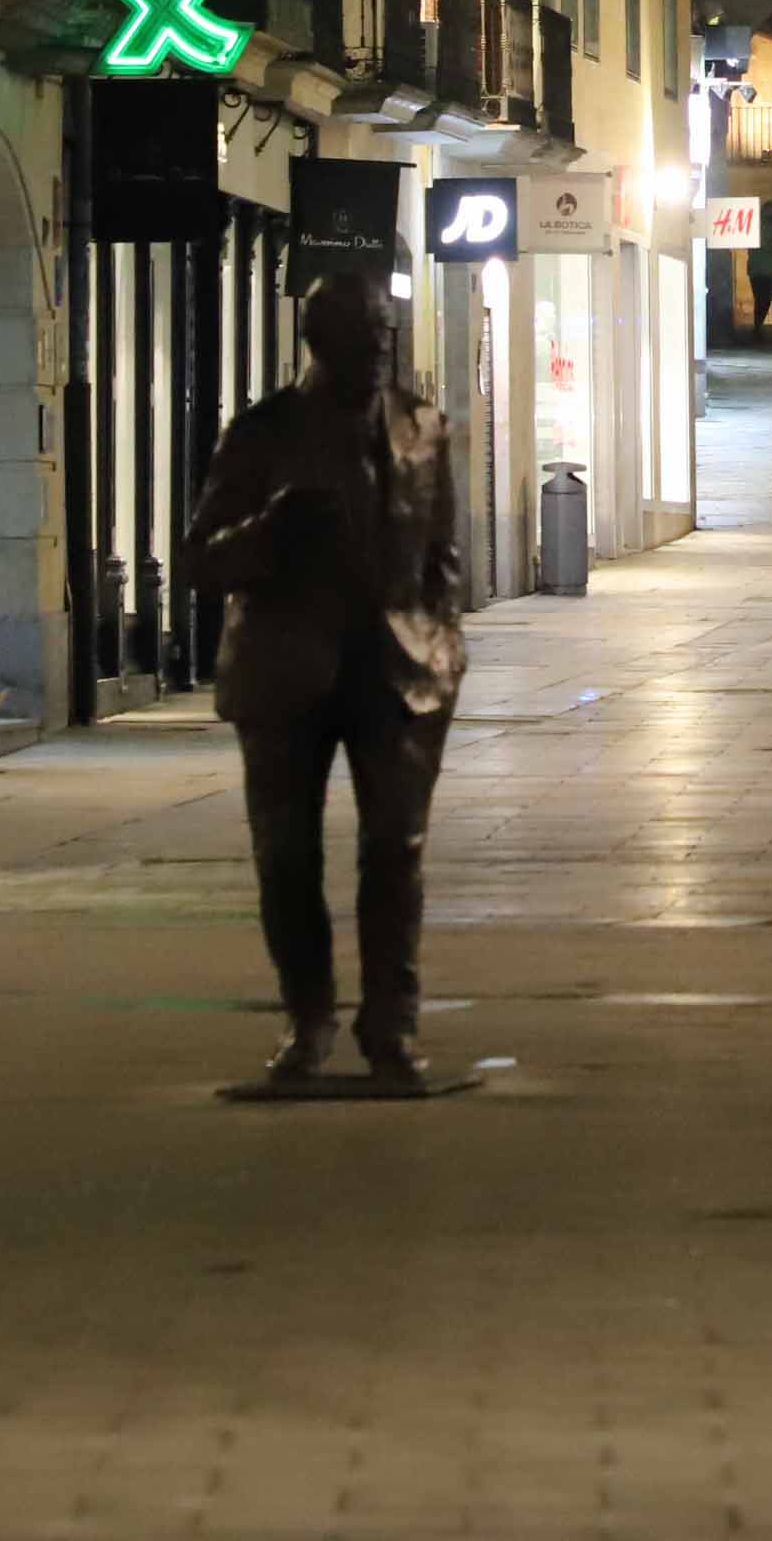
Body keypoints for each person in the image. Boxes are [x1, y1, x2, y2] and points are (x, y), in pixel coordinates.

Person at [184, 267, 466, 1092]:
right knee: (287, 857)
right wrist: (271, 531)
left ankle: (393, 1031)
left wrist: (444, 646)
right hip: (287, 673)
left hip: (396, 674)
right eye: (363, 335)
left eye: (387, 333)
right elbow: (201, 557)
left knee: (396, 853)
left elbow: (443, 554)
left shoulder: (422, 428)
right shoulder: (263, 433)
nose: (380, 349)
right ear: (319, 341)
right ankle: (306, 1025)